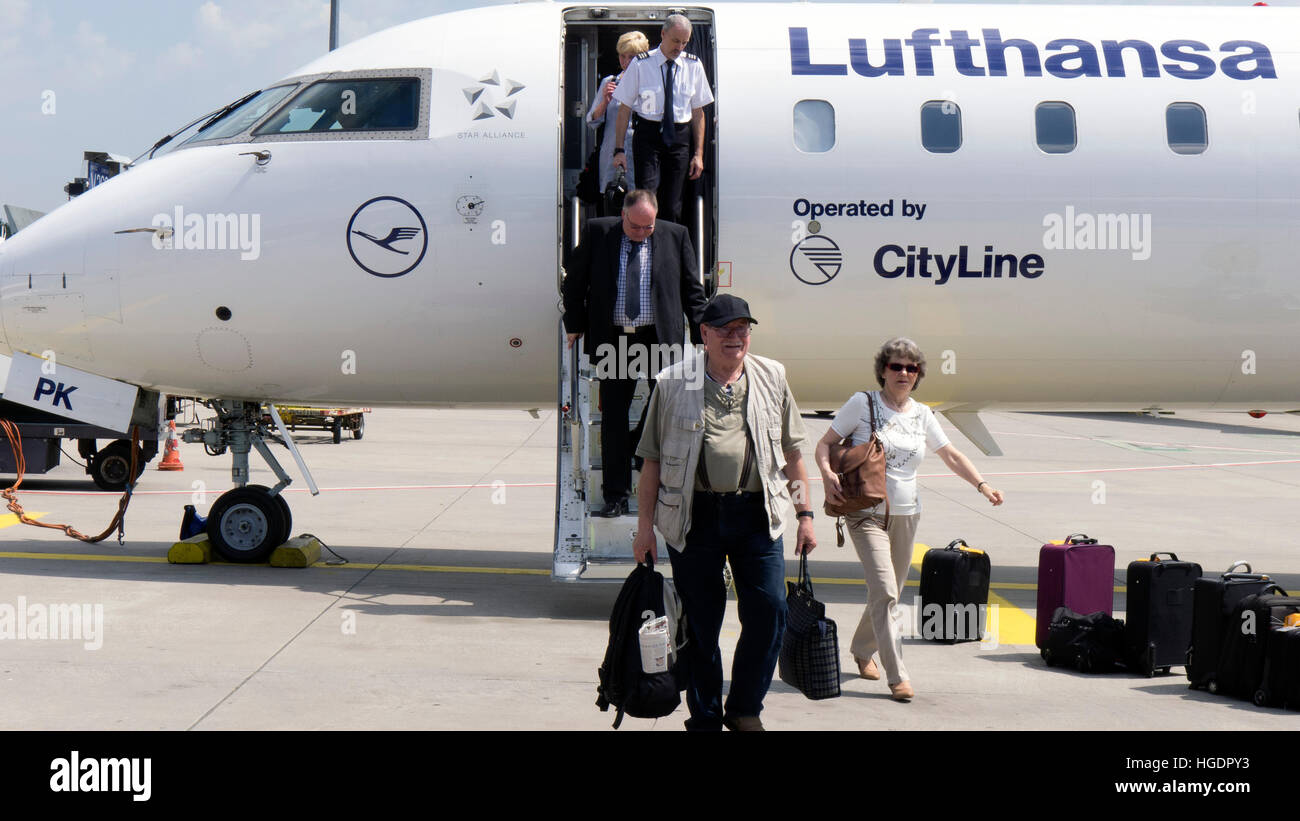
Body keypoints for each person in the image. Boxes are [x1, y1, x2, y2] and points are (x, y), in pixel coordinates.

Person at [633, 294, 816, 731]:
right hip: (695, 517)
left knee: (770, 610)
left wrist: (805, 512)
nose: (735, 338)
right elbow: (651, 462)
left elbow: (792, 453)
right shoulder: (673, 382)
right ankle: (706, 715)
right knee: (701, 622)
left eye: (742, 329)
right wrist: (644, 529)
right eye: (725, 330)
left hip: (757, 514)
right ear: (704, 334)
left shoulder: (772, 376)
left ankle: (745, 707)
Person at [815, 338, 1004, 702]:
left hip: (907, 515)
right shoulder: (862, 403)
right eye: (896, 366)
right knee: (886, 591)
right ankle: (897, 675)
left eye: (911, 368)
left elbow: (949, 454)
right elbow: (825, 444)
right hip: (865, 513)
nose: (903, 373)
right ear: (883, 370)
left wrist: (982, 485)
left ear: (918, 376)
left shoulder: (921, 413)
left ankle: (861, 648)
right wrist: (826, 475)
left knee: (889, 592)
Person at [562, 189, 708, 517]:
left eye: (648, 228)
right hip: (615, 339)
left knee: (665, 405)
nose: (642, 234)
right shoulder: (599, 232)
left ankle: (636, 446)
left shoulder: (676, 235)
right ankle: (616, 494)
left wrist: (701, 332)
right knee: (613, 414)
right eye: (636, 227)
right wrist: (574, 322)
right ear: (623, 215)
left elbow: (691, 288)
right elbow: (575, 281)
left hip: (657, 337)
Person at [610, 14, 713, 224]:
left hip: (679, 137)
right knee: (646, 197)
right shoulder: (641, 64)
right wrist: (619, 149)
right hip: (648, 134)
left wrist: (699, 154)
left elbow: (698, 113)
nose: (680, 47)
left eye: (684, 42)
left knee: (673, 202)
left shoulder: (693, 66)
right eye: (676, 41)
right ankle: (645, 246)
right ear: (663, 34)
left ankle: (668, 252)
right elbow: (624, 109)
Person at [586, 31, 649, 213]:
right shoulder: (610, 82)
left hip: (639, 154)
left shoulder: (650, 83)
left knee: (641, 204)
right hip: (612, 156)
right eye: (623, 56)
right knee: (613, 203)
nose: (626, 61)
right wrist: (605, 101)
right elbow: (592, 121)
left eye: (632, 57)